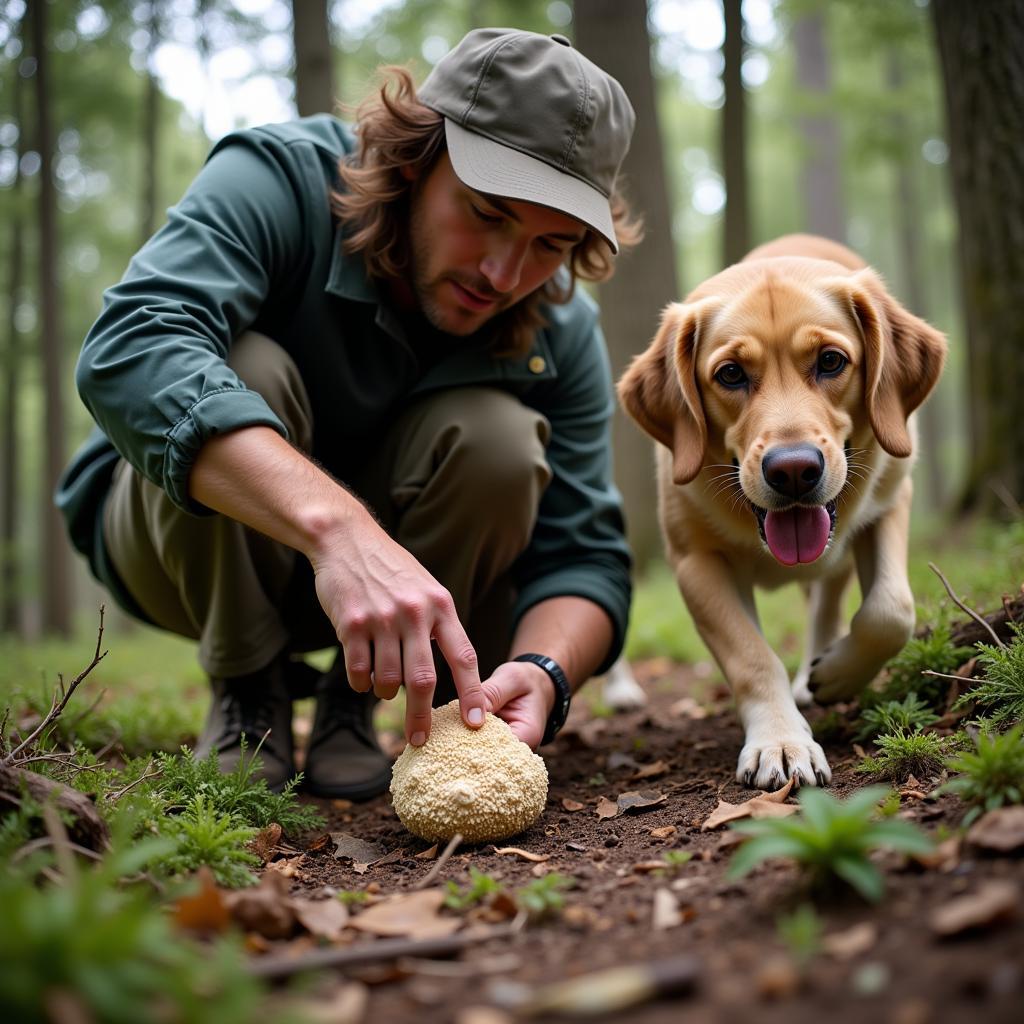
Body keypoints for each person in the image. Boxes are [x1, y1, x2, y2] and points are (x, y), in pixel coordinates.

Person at [57, 28, 640, 799]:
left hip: (415, 604)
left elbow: (585, 556)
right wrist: (342, 534)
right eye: (488, 213)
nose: (506, 273)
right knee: (246, 368)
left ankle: (353, 705)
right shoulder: (278, 180)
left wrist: (547, 671)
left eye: (550, 245)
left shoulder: (558, 327)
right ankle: (246, 690)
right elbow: (131, 345)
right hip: (176, 551)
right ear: (413, 157)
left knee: (500, 439)